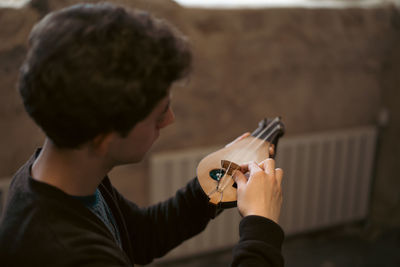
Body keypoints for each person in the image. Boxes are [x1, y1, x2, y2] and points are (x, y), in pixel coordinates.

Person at [0, 2, 284, 266]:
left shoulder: (66, 177)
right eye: (159, 114)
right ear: (104, 137)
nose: (169, 120)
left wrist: (214, 183)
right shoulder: (66, 254)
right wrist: (261, 225)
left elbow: (140, 237)